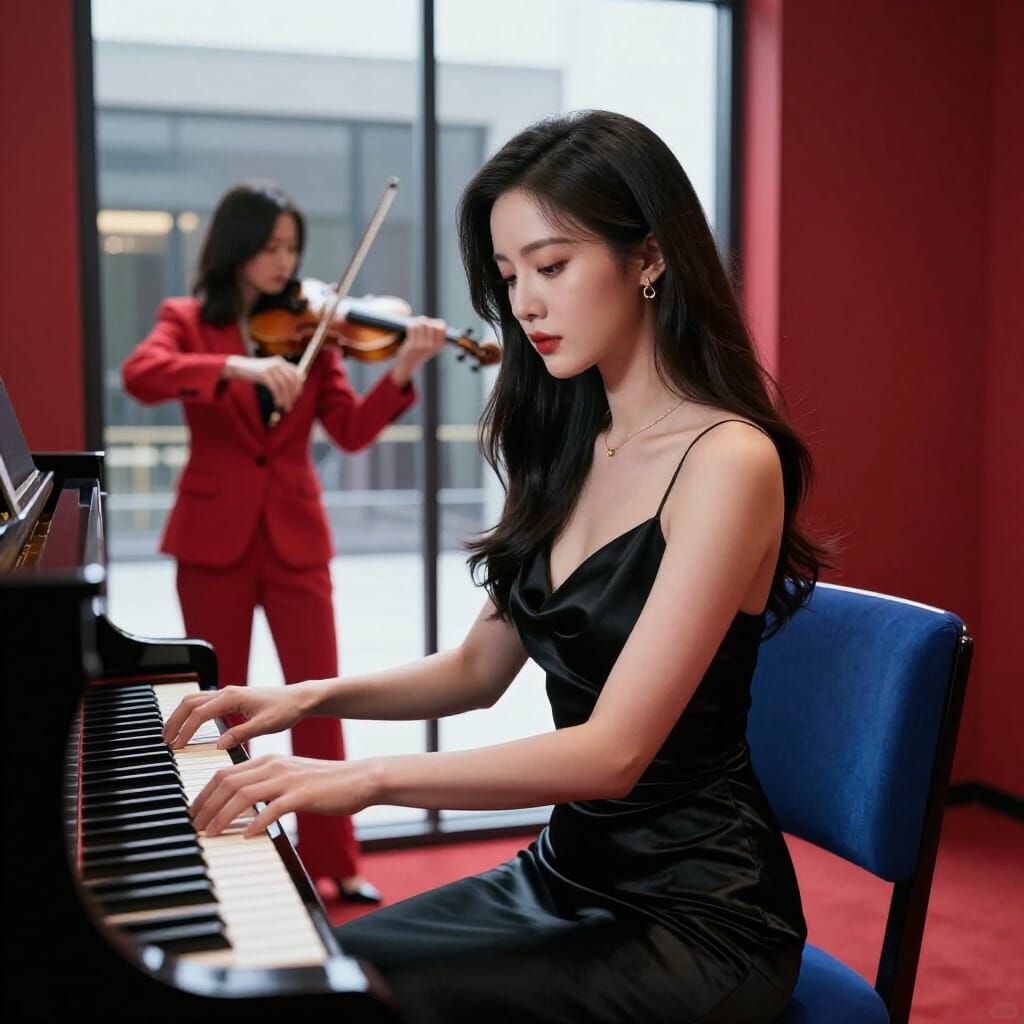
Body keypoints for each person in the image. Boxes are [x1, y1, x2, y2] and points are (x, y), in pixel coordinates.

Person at [162, 112, 828, 1022]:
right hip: (567, 872)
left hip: (697, 913)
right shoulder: (567, 441)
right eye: (509, 276)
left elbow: (613, 755)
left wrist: (362, 778)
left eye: (551, 266)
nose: (524, 304)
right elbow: (477, 673)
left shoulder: (729, 460)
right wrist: (305, 698)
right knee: (327, 970)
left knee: (350, 999)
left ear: (649, 258)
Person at [123, 181, 447, 903]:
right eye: (270, 246)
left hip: (297, 536)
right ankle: (240, 854)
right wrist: (233, 366)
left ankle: (335, 858)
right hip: (213, 538)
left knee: (318, 697)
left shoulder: (314, 330)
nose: (283, 261)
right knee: (222, 707)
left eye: (292, 247)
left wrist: (401, 372)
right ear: (237, 249)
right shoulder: (184, 320)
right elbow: (140, 375)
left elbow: (351, 431)